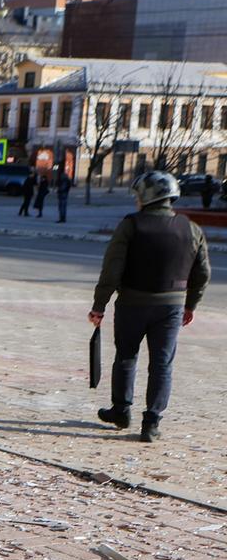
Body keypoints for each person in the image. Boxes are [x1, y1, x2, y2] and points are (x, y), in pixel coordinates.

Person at [90, 170, 210, 442]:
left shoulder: (131, 225)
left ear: (146, 197)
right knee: (162, 364)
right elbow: (202, 273)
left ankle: (121, 411)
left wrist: (99, 305)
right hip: (171, 308)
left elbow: (111, 270)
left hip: (132, 304)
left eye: (137, 196)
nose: (135, 201)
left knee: (126, 356)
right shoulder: (191, 229)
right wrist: (191, 304)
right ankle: (152, 423)